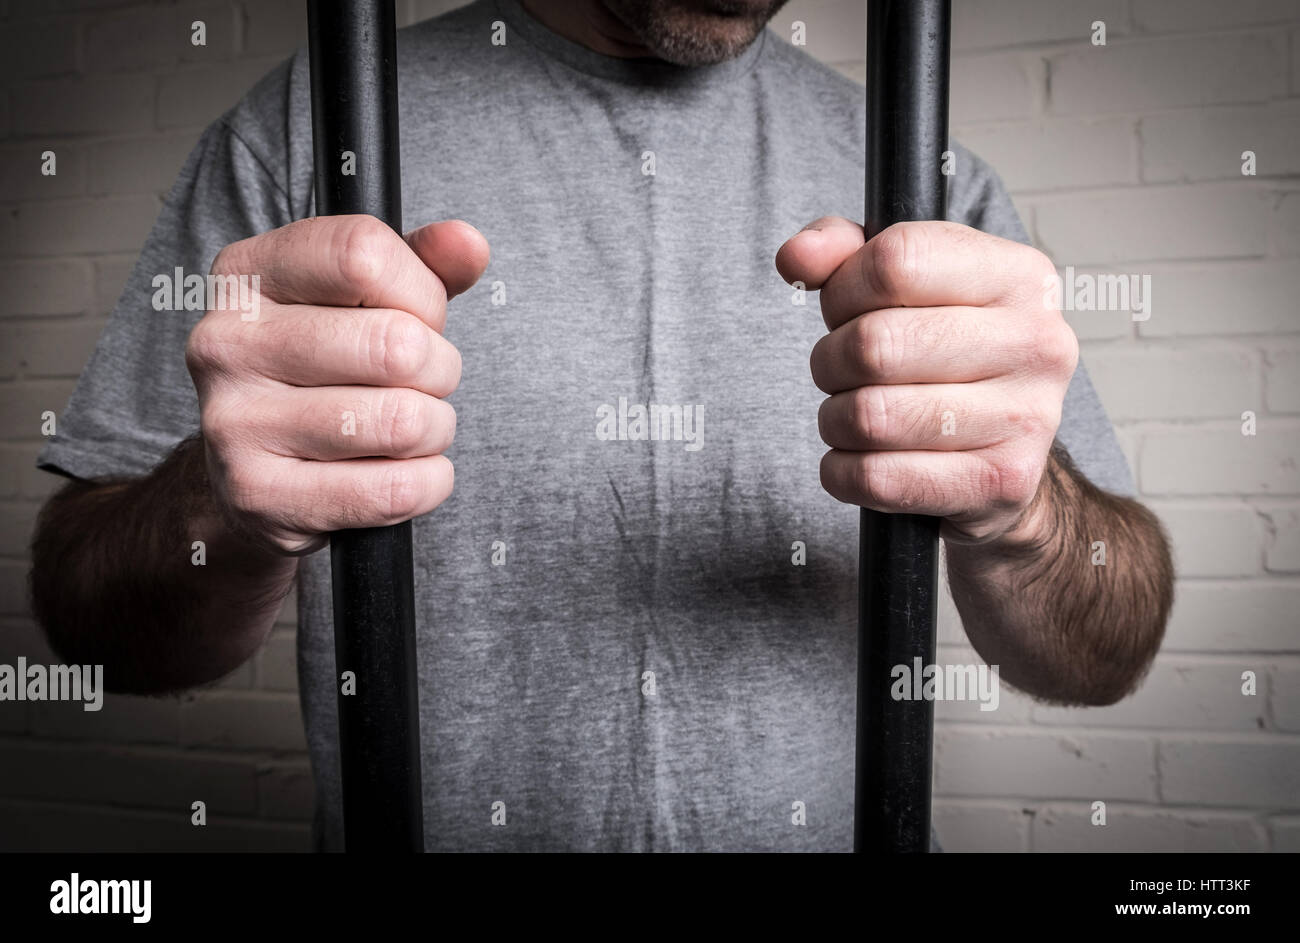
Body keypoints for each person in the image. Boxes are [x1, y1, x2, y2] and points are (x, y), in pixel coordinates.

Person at [29, 0, 1173, 852]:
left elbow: (1104, 650)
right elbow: (94, 622)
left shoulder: (919, 181)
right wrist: (222, 506)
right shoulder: (314, 131)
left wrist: (1026, 516)